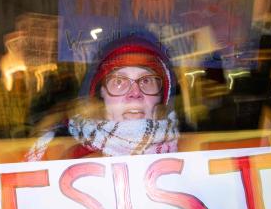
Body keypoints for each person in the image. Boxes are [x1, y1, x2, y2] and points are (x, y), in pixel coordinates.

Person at [26, 33, 179, 160]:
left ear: (161, 96)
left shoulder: (191, 153)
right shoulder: (59, 154)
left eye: (146, 80)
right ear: (102, 93)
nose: (135, 93)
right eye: (119, 81)